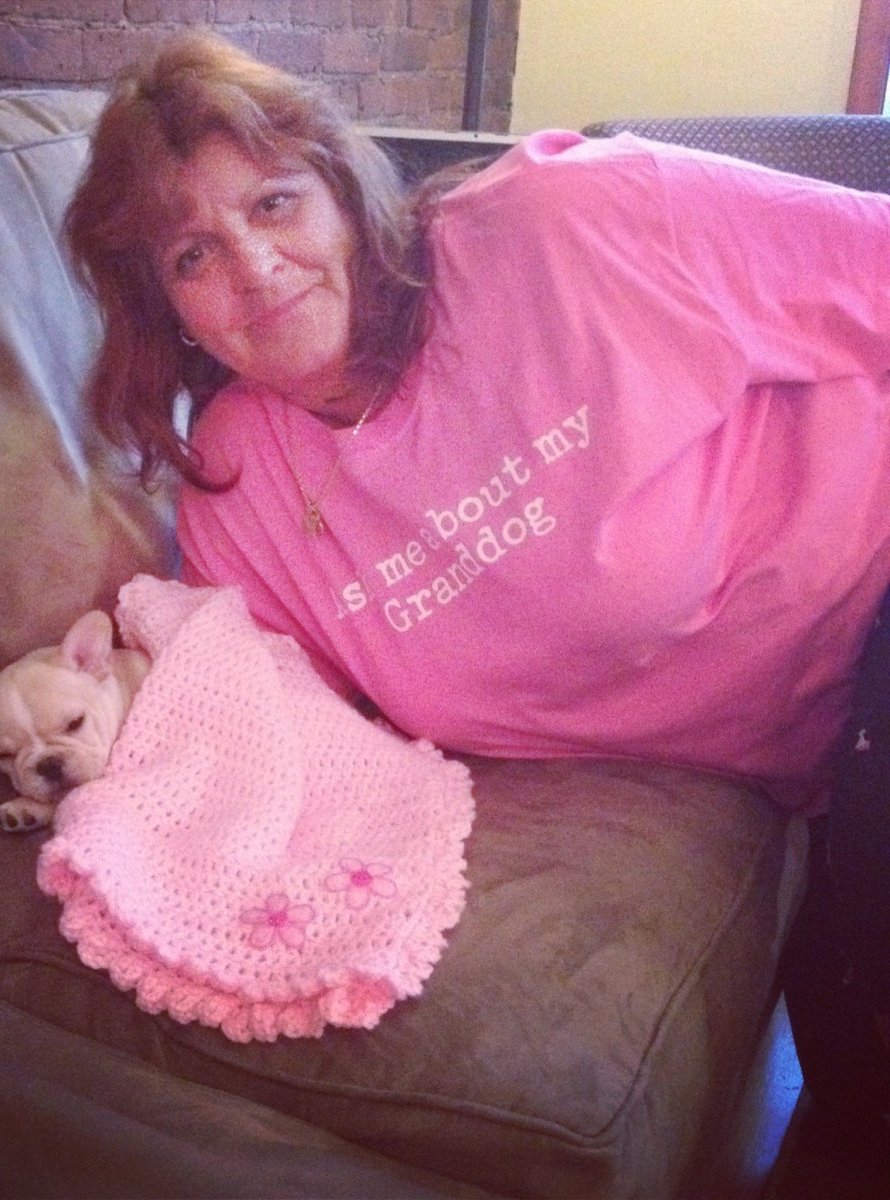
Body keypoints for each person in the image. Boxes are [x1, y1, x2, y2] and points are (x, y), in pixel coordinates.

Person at [65, 32, 890, 1137]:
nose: (255, 268)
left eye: (274, 203)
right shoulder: (238, 489)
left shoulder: (569, 223)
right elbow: (262, 733)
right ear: (167, 310)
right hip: (828, 766)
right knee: (857, 1083)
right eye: (193, 257)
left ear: (345, 192)